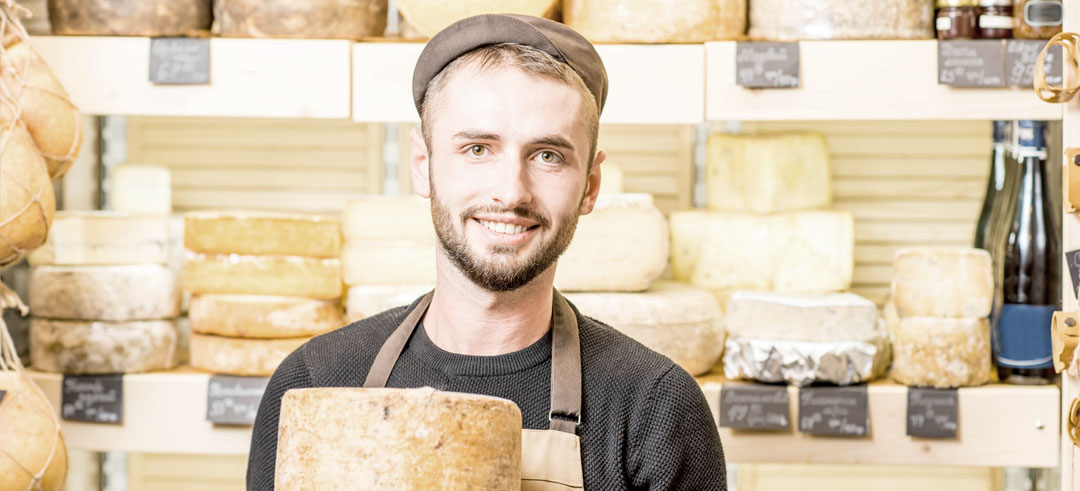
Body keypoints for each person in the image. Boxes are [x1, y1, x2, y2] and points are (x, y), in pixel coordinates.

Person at [247, 14, 726, 490]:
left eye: (548, 156)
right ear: (422, 164)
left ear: (590, 186)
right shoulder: (314, 382)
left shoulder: (655, 409)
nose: (510, 192)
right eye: (478, 149)